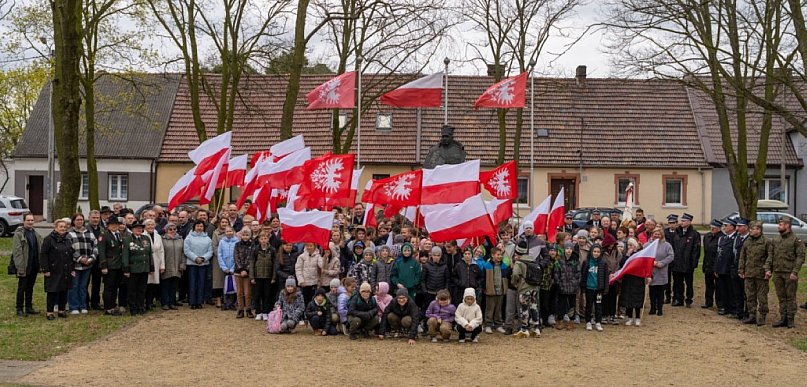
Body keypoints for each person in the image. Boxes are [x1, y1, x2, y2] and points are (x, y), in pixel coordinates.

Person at [765, 218, 805, 328]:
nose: (778, 226)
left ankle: (790, 318)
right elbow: (771, 256)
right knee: (781, 296)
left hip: (789, 273)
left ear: (787, 225)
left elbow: (800, 257)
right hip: (778, 272)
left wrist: (795, 272)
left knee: (790, 296)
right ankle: (783, 317)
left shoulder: (795, 240)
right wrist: (768, 269)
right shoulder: (775, 240)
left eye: (780, 224)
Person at [738, 221, 772, 326]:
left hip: (761, 274)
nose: (751, 231)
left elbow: (770, 257)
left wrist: (767, 270)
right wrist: (741, 269)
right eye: (750, 229)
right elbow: (742, 256)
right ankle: (752, 315)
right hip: (749, 273)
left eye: (753, 229)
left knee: (762, 296)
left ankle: (762, 316)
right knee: (750, 296)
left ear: (759, 230)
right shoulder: (747, 241)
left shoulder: (766, 242)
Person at [40, 219, 75, 320]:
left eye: (65, 227)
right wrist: (45, 269)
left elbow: (71, 254)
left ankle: (61, 310)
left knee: (64, 290)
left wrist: (72, 269)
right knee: (52, 291)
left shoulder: (68, 239)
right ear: (55, 228)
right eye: (61, 227)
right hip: (53, 270)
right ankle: (50, 312)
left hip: (66, 269)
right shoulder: (48, 239)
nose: (63, 229)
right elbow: (43, 254)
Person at [67, 213, 98, 314]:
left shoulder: (89, 233)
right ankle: (74, 306)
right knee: (74, 286)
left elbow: (95, 247)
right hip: (75, 265)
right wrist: (79, 258)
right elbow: (69, 249)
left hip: (87, 265)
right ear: (73, 221)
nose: (80, 221)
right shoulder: (69, 234)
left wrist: (91, 258)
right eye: (77, 220)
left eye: (81, 219)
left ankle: (83, 305)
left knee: (83, 286)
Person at [13, 214, 43, 317]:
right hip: (24, 265)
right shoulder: (19, 234)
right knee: (22, 288)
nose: (30, 222)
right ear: (24, 221)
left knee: (30, 287)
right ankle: (19, 309)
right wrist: (20, 267)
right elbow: (17, 252)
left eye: (32, 220)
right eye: (28, 220)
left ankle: (29, 307)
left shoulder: (35, 233)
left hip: (34, 265)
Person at [511, 241, 543, 338]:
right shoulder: (533, 260)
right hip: (534, 288)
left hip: (524, 288)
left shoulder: (519, 262)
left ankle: (524, 329)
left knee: (524, 308)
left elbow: (515, 274)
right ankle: (536, 328)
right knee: (534, 306)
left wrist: (515, 283)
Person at [122, 222, 154, 316]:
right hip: (133, 268)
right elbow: (125, 255)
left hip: (144, 268)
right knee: (132, 290)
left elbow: (149, 254)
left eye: (140, 228)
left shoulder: (146, 238)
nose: (139, 229)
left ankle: (141, 307)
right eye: (136, 228)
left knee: (142, 289)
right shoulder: (127, 239)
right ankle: (133, 308)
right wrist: (126, 269)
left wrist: (151, 267)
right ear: (132, 229)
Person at [616, 238, 648, 326]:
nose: (629, 247)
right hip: (628, 279)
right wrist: (627, 255)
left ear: (635, 246)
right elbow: (622, 264)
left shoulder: (640, 255)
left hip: (638, 279)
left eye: (631, 245)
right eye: (628, 245)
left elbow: (644, 266)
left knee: (637, 299)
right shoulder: (626, 255)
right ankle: (629, 317)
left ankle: (637, 318)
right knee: (628, 299)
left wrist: (648, 276)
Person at [671, 213, 700, 308]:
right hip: (677, 263)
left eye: (684, 221)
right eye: (682, 221)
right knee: (678, 283)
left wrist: (693, 263)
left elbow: (696, 250)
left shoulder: (694, 234)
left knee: (689, 283)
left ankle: (689, 299)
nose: (682, 222)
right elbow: (673, 247)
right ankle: (679, 299)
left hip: (688, 263)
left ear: (689, 222)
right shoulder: (677, 232)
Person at [184, 220, 213, 310]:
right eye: (197, 226)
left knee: (201, 283)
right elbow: (187, 250)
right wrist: (195, 258)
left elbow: (210, 251)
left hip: (203, 264)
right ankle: (192, 302)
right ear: (194, 227)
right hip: (192, 264)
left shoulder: (208, 239)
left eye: (201, 226)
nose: (199, 228)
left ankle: (200, 301)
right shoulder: (189, 238)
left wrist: (203, 258)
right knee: (192, 283)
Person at [580, 244, 609, 332]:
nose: (596, 253)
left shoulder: (603, 263)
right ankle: (588, 322)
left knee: (598, 306)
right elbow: (583, 274)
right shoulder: (586, 262)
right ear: (591, 252)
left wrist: (605, 288)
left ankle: (598, 322)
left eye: (598, 252)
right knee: (588, 305)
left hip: (599, 289)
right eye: (594, 251)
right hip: (589, 288)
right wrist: (583, 287)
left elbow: (606, 277)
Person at [553, 242, 580, 330]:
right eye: (567, 248)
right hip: (562, 286)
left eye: (570, 249)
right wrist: (559, 283)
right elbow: (556, 273)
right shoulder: (559, 260)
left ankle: (571, 321)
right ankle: (560, 320)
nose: (569, 250)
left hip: (572, 287)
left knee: (572, 305)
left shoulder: (575, 260)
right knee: (561, 305)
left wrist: (575, 283)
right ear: (564, 249)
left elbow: (578, 273)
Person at [481, 247, 508, 333]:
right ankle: (488, 324)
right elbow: (483, 278)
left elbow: (506, 277)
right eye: (498, 255)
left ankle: (498, 324)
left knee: (498, 309)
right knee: (489, 309)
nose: (500, 256)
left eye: (501, 255)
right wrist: (484, 288)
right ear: (492, 255)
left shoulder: (504, 266)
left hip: (500, 290)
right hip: (490, 290)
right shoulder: (487, 265)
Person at [648, 228, 675, 317]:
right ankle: (652, 308)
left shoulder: (667, 245)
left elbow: (671, 256)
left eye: (658, 234)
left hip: (661, 271)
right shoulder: (648, 245)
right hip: (651, 271)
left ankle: (660, 308)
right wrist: (652, 263)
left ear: (662, 235)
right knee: (652, 291)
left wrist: (661, 263)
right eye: (655, 234)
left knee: (660, 292)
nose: (656, 236)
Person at [250, 232, 276, 321]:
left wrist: (274, 277)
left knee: (267, 295)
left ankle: (265, 312)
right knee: (257, 295)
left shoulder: (272, 250)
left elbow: (275, 264)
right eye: (262, 239)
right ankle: (258, 312)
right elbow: (252, 263)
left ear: (268, 239)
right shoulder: (255, 249)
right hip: (258, 276)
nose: (263, 240)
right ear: (259, 240)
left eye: (265, 238)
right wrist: (252, 277)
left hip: (268, 276)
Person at [714, 219, 738, 316]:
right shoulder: (722, 238)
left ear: (732, 227)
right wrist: (716, 268)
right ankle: (724, 307)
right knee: (722, 289)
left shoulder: (736, 238)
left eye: (726, 225)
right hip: (721, 268)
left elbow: (735, 255)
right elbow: (718, 254)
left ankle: (733, 308)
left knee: (731, 289)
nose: (724, 227)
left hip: (730, 268)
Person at [160, 222, 184, 310]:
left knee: (174, 286)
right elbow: (161, 253)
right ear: (166, 230)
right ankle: (165, 303)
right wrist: (162, 265)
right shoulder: (162, 239)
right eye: (170, 229)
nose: (172, 231)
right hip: (167, 265)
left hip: (177, 266)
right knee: (165, 285)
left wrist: (182, 265)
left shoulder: (180, 239)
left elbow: (183, 253)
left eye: (174, 229)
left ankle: (172, 302)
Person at [231, 228, 254, 318]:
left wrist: (246, 270)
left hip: (248, 272)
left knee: (247, 292)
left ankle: (248, 309)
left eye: (247, 235)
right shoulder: (237, 245)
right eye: (243, 235)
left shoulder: (252, 245)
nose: (245, 237)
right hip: (238, 271)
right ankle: (240, 309)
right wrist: (241, 269)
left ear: (250, 236)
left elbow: (251, 258)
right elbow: (236, 257)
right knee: (239, 292)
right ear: (241, 235)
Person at [143, 219, 165, 311]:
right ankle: (144, 302)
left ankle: (150, 302)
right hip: (145, 262)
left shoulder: (158, 236)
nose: (150, 226)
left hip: (156, 261)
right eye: (148, 225)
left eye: (152, 225)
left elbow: (161, 251)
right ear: (145, 226)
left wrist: (162, 265)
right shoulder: (142, 235)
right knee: (145, 283)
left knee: (153, 283)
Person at [701, 219, 722, 309]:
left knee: (719, 287)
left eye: (714, 228)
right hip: (708, 264)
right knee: (709, 285)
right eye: (711, 228)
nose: (712, 229)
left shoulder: (722, 237)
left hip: (717, 265)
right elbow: (706, 252)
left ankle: (720, 304)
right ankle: (708, 302)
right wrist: (704, 265)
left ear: (719, 228)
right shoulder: (707, 236)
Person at [216, 226, 239, 310]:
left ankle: (233, 303)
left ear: (233, 232)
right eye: (227, 231)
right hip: (225, 267)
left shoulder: (237, 242)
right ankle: (226, 303)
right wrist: (224, 267)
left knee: (234, 285)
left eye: (230, 231)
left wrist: (233, 268)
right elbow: (219, 255)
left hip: (234, 267)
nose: (229, 233)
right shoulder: (222, 242)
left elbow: (237, 255)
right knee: (225, 286)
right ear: (225, 232)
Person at [295, 243, 323, 308]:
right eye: (307, 246)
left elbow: (321, 265)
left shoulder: (318, 256)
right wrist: (301, 280)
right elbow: (298, 269)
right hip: (305, 283)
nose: (309, 247)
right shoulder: (301, 256)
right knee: (304, 300)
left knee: (313, 299)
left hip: (314, 282)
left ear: (314, 246)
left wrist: (324, 257)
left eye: (311, 246)